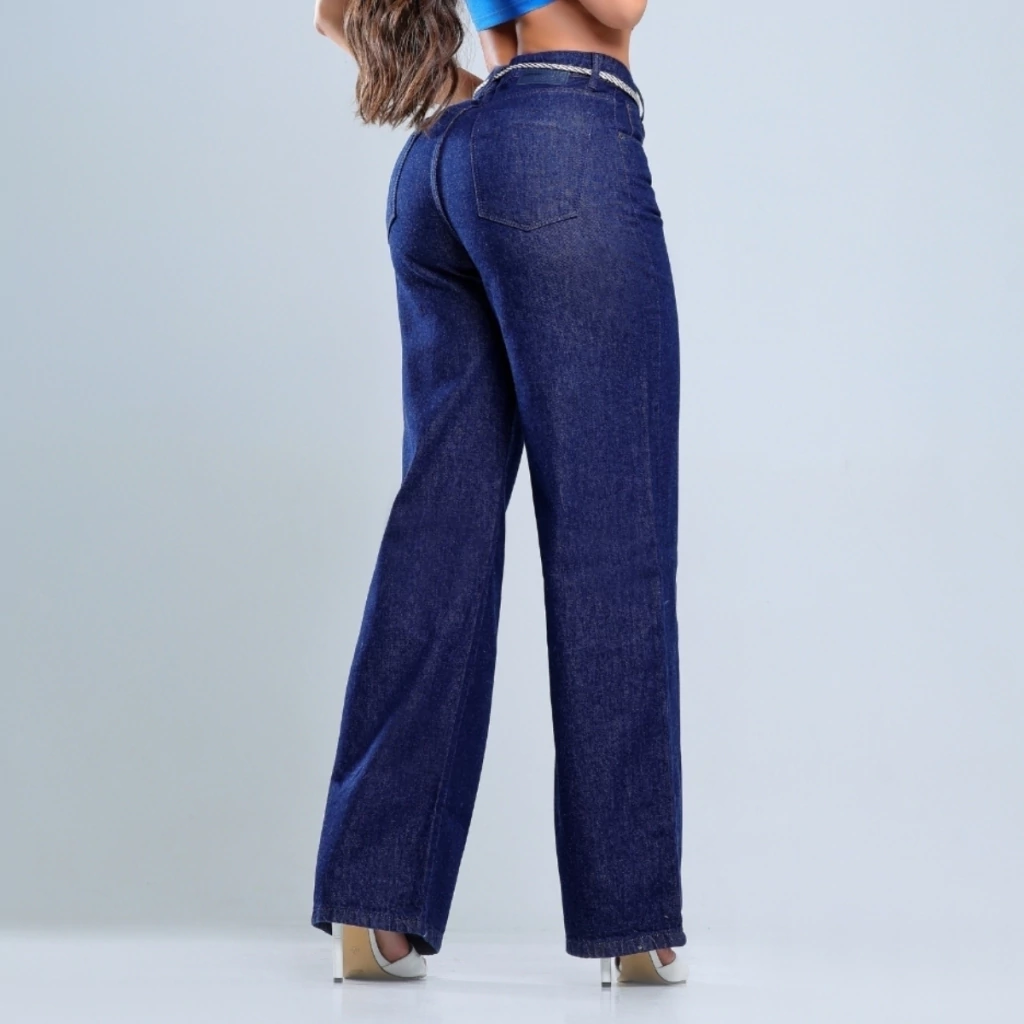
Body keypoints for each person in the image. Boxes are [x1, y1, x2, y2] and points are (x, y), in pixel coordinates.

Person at [309, 0, 687, 986]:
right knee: (614, 532)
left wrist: (459, 92)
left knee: (440, 536)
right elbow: (616, 8)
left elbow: (333, 14)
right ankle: (634, 922)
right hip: (565, 142)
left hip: (442, 164)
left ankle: (375, 907)